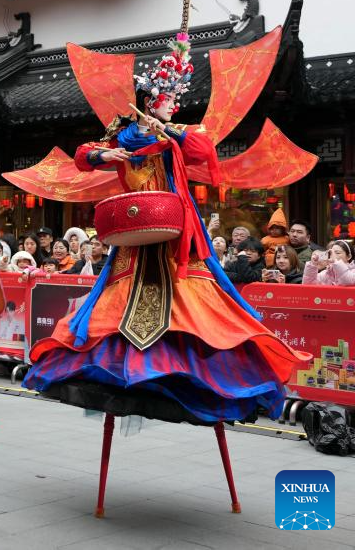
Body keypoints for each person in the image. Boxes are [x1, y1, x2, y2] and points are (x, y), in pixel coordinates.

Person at [25, 32, 307, 433]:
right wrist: (108, 153)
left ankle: (192, 375)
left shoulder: (177, 131)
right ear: (149, 99)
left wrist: (168, 130)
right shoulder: (125, 131)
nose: (173, 104)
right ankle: (122, 371)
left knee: (195, 299)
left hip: (175, 232)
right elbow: (84, 156)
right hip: (135, 231)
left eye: (175, 98)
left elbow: (203, 152)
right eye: (167, 98)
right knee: (118, 300)